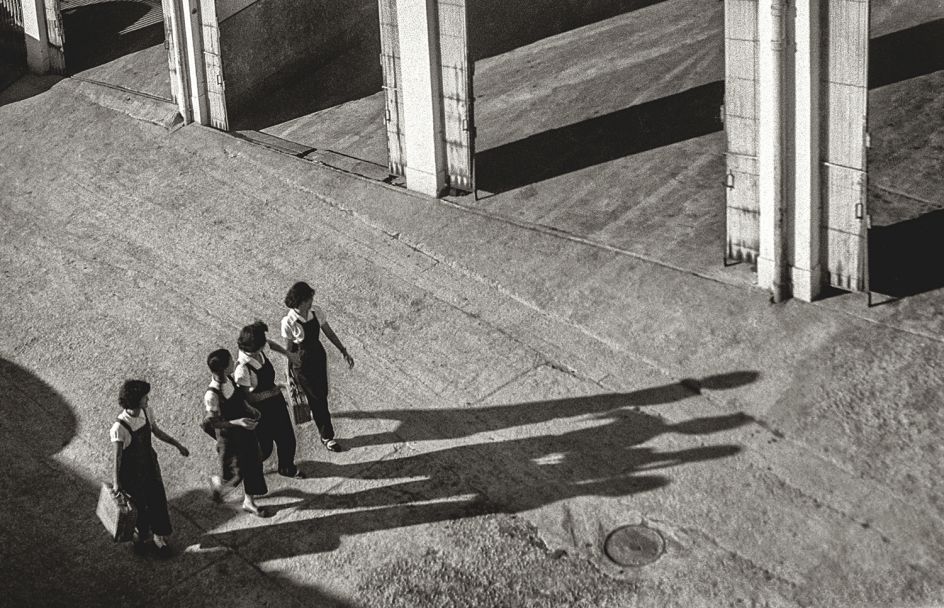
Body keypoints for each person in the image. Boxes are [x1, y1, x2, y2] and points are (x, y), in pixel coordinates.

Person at [110, 379, 189, 554]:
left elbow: (156, 431)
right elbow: (117, 457)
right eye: (145, 397)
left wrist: (177, 445)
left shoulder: (146, 412)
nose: (148, 400)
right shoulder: (120, 427)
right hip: (131, 474)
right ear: (135, 400)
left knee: (157, 500)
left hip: (150, 466)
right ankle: (142, 536)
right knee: (139, 506)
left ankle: (159, 537)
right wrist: (116, 483)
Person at [281, 281, 354, 452]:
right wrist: (288, 373)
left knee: (323, 393)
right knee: (318, 400)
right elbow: (289, 349)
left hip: (319, 358)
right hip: (302, 363)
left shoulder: (316, 312)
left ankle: (318, 414)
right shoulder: (289, 321)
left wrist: (343, 350)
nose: (312, 301)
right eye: (309, 298)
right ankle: (327, 436)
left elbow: (328, 332)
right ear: (302, 300)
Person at [204, 349, 269, 517]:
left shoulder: (229, 379)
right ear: (224, 368)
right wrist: (238, 422)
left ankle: (249, 501)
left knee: (253, 463)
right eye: (231, 362)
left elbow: (239, 400)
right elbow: (213, 422)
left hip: (244, 431)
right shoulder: (212, 395)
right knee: (235, 473)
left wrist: (249, 409)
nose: (234, 363)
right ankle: (218, 484)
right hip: (229, 438)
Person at [235, 320, 304, 478]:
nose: (264, 346)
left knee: (287, 439)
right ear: (253, 348)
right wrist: (275, 391)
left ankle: (286, 468)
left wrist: (289, 354)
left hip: (275, 403)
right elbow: (248, 397)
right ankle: (241, 467)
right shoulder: (242, 370)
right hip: (260, 410)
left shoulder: (258, 349)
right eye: (261, 345)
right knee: (265, 449)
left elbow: (269, 344)